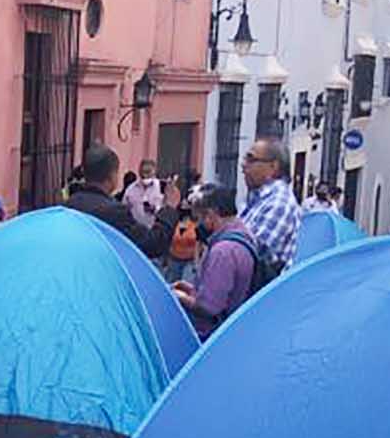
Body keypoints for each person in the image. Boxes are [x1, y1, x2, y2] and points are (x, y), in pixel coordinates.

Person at [173, 186, 258, 339]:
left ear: (211, 215)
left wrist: (179, 297)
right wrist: (191, 289)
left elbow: (208, 307)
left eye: (199, 218)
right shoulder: (244, 236)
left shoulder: (222, 252)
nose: (199, 225)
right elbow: (223, 289)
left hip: (211, 335)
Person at [66, 145, 179, 258]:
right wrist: (169, 208)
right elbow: (152, 244)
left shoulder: (70, 205)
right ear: (112, 177)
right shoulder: (114, 212)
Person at [239, 139, 302, 271]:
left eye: (251, 159)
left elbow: (249, 252)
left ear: (273, 167)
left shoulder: (279, 202)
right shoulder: (257, 199)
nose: (243, 165)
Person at [122, 158, 166, 229]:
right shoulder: (131, 189)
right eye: (143, 173)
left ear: (154, 172)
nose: (145, 176)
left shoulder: (161, 187)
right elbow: (124, 208)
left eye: (148, 173)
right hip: (135, 230)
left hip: (155, 230)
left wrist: (155, 209)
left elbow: (168, 209)